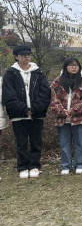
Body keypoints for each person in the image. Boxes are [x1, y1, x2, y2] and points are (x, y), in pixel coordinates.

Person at [2, 45, 51, 178]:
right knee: (21, 143)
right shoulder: (10, 74)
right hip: (18, 115)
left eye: (28, 54)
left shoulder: (39, 73)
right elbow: (8, 95)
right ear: (16, 57)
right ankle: (23, 166)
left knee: (36, 142)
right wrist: (24, 108)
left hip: (37, 114)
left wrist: (34, 109)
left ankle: (35, 166)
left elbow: (45, 93)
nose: (26, 57)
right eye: (23, 55)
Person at [50, 58, 82, 175]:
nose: (74, 67)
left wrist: (73, 110)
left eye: (76, 65)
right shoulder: (57, 82)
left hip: (79, 118)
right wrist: (62, 111)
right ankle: (66, 166)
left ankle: (80, 165)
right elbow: (54, 99)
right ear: (65, 67)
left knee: (80, 143)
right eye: (70, 65)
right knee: (64, 144)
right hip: (62, 119)